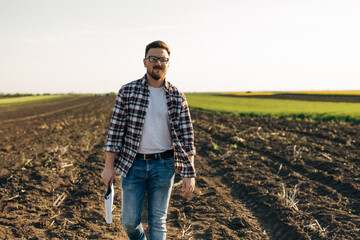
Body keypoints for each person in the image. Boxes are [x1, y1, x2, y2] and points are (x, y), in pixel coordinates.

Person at [101, 40, 196, 240]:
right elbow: (115, 132)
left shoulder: (177, 96)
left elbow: (187, 137)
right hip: (132, 164)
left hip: (164, 165)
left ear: (168, 64)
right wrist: (109, 167)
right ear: (145, 62)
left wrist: (189, 173)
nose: (158, 63)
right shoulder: (128, 92)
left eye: (163, 59)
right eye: (153, 59)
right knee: (128, 221)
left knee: (158, 221)